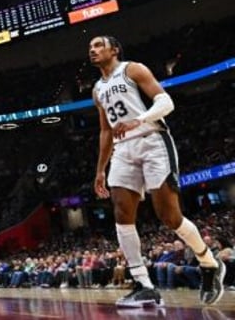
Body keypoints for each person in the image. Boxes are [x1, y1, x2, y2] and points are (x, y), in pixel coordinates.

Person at [90, 35, 226, 307]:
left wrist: (138, 120)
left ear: (114, 49)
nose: (92, 51)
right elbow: (105, 130)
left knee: (169, 216)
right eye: (90, 48)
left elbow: (166, 103)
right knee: (120, 212)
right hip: (122, 149)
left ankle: (208, 262)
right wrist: (100, 169)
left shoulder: (132, 69)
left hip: (152, 139)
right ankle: (144, 285)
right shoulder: (96, 89)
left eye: (98, 46)